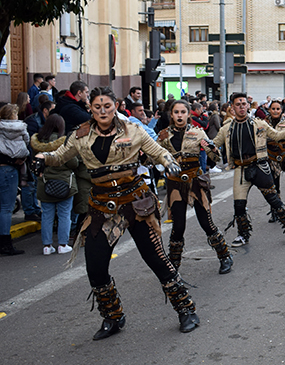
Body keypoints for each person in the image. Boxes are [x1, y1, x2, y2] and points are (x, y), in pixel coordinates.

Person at [33, 87, 201, 338]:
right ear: (90, 107)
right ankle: (113, 317)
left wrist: (168, 161)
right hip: (102, 207)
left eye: (108, 106)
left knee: (156, 259)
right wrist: (43, 157)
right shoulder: (79, 136)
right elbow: (59, 156)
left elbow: (157, 150)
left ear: (115, 107)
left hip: (135, 204)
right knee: (96, 266)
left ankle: (186, 310)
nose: (103, 111)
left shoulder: (133, 130)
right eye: (98, 107)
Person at [212, 93, 285, 247]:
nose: (241, 107)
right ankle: (243, 235)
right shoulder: (227, 128)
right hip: (241, 170)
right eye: (238, 104)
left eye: (243, 104)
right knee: (239, 206)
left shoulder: (259, 124)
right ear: (232, 107)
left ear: (248, 106)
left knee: (274, 200)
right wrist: (204, 147)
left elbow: (277, 135)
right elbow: (214, 145)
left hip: (260, 166)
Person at [157, 100, 233, 275]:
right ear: (171, 114)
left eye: (183, 112)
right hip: (175, 184)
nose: (179, 115)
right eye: (176, 112)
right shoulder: (163, 135)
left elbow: (215, 154)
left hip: (196, 181)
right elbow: (152, 157)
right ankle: (173, 265)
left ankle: (225, 256)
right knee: (178, 226)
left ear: (188, 114)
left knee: (206, 222)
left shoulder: (197, 132)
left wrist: (212, 148)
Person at [31, 114, 78, 255]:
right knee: (64, 214)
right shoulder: (64, 143)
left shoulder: (37, 143)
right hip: (65, 183)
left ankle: (47, 246)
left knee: (47, 215)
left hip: (44, 183)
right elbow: (73, 163)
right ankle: (63, 244)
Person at [0, 104, 30, 255]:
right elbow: (27, 142)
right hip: (9, 169)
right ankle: (5, 243)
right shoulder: (20, 128)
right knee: (6, 207)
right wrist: (15, 160)